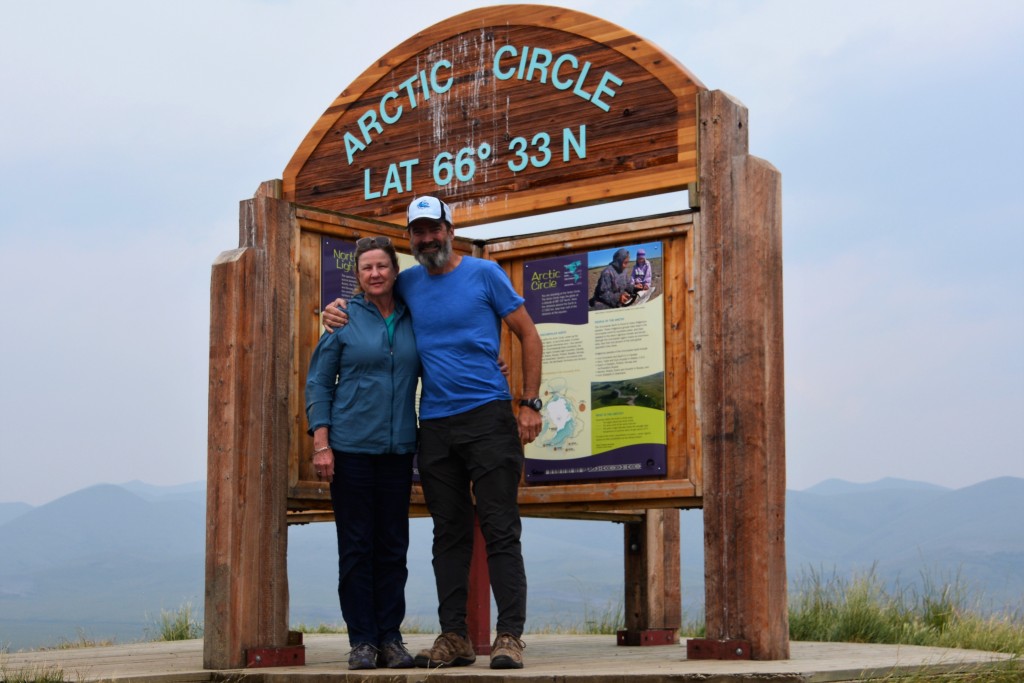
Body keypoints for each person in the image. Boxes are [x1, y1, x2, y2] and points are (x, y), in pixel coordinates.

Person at [322, 195, 543, 670]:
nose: (427, 238)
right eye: (418, 232)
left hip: (489, 417)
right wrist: (332, 312)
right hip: (436, 425)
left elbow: (528, 334)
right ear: (411, 239)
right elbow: (371, 304)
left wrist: (528, 403)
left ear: (449, 228)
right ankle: (455, 637)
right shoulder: (409, 284)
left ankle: (509, 637)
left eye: (433, 229)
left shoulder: (484, 274)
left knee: (501, 528)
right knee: (448, 534)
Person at [305, 236, 420, 671]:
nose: (375, 273)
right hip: (350, 451)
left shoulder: (413, 319)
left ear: (395, 271)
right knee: (356, 547)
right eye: (367, 267)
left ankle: (391, 638)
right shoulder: (342, 319)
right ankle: (363, 642)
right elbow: (318, 383)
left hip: (397, 452)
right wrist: (322, 443)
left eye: (382, 266)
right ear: (358, 275)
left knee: (393, 547)